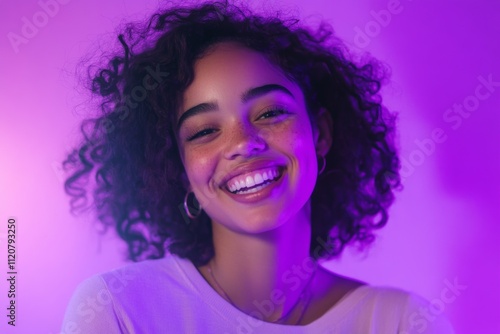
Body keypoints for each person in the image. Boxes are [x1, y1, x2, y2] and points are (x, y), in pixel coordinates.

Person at [60, 0, 454, 332]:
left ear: (320, 132)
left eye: (269, 113)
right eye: (204, 131)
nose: (244, 143)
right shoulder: (118, 309)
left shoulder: (401, 322)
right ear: (178, 168)